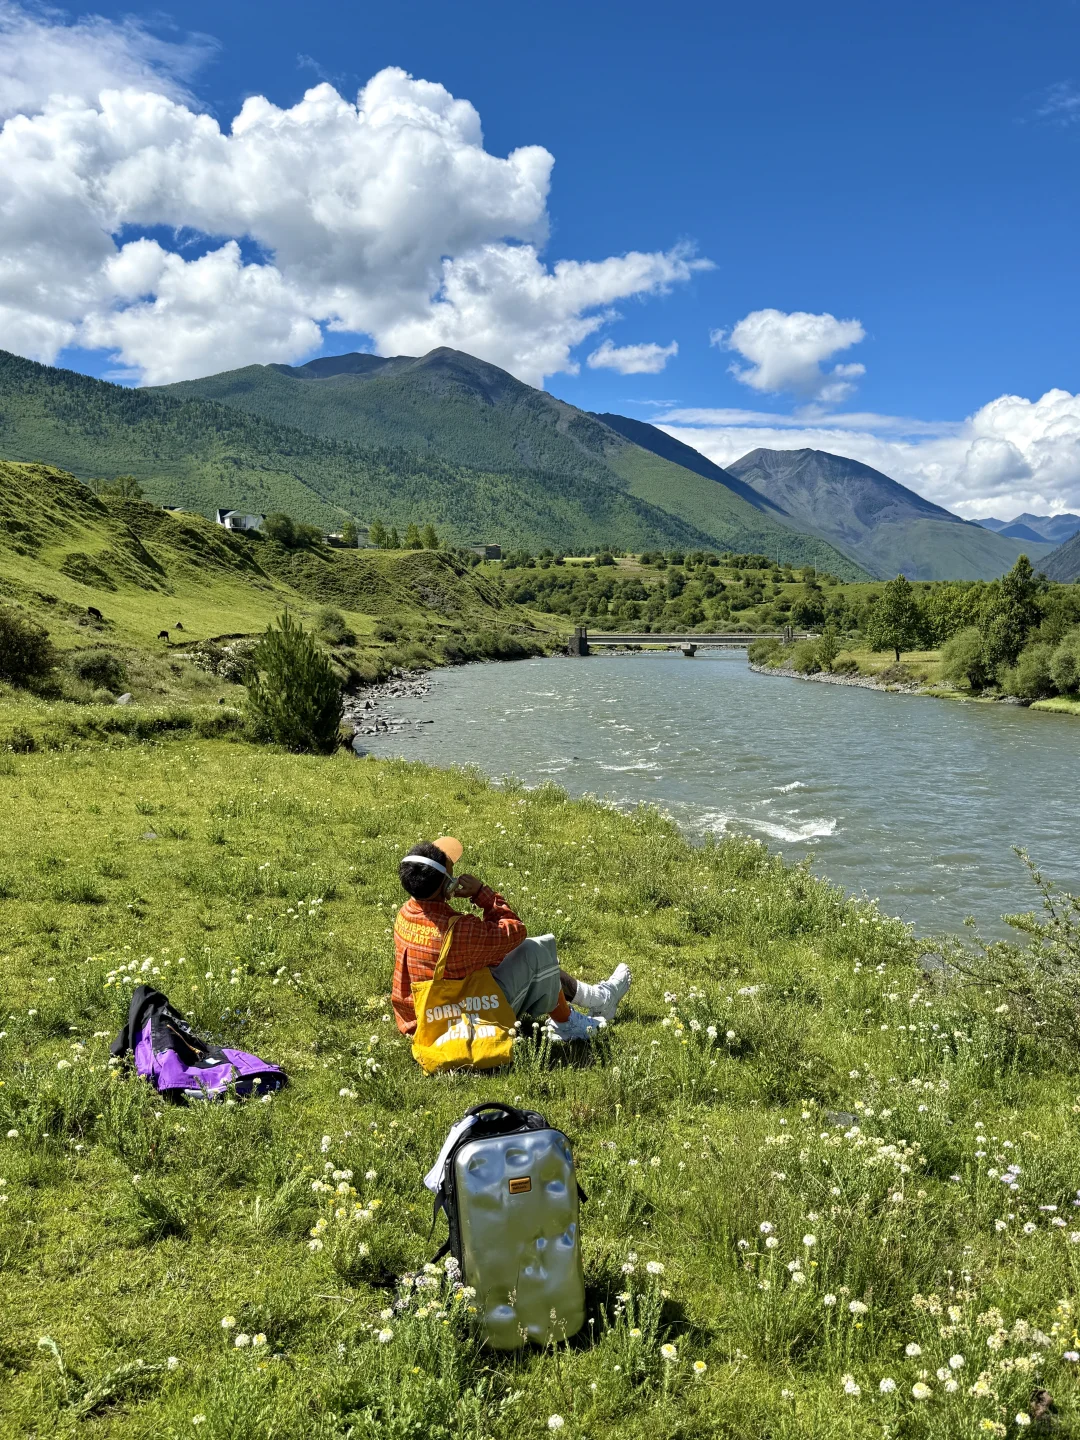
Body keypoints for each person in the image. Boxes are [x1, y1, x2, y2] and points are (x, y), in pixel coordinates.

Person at [391, 837, 631, 1044]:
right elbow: (515, 931)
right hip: (459, 1021)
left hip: (419, 1019)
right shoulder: (461, 930)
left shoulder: (405, 914)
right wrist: (482, 894)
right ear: (447, 886)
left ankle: (598, 997)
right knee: (534, 952)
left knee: (515, 955)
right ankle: (570, 1021)